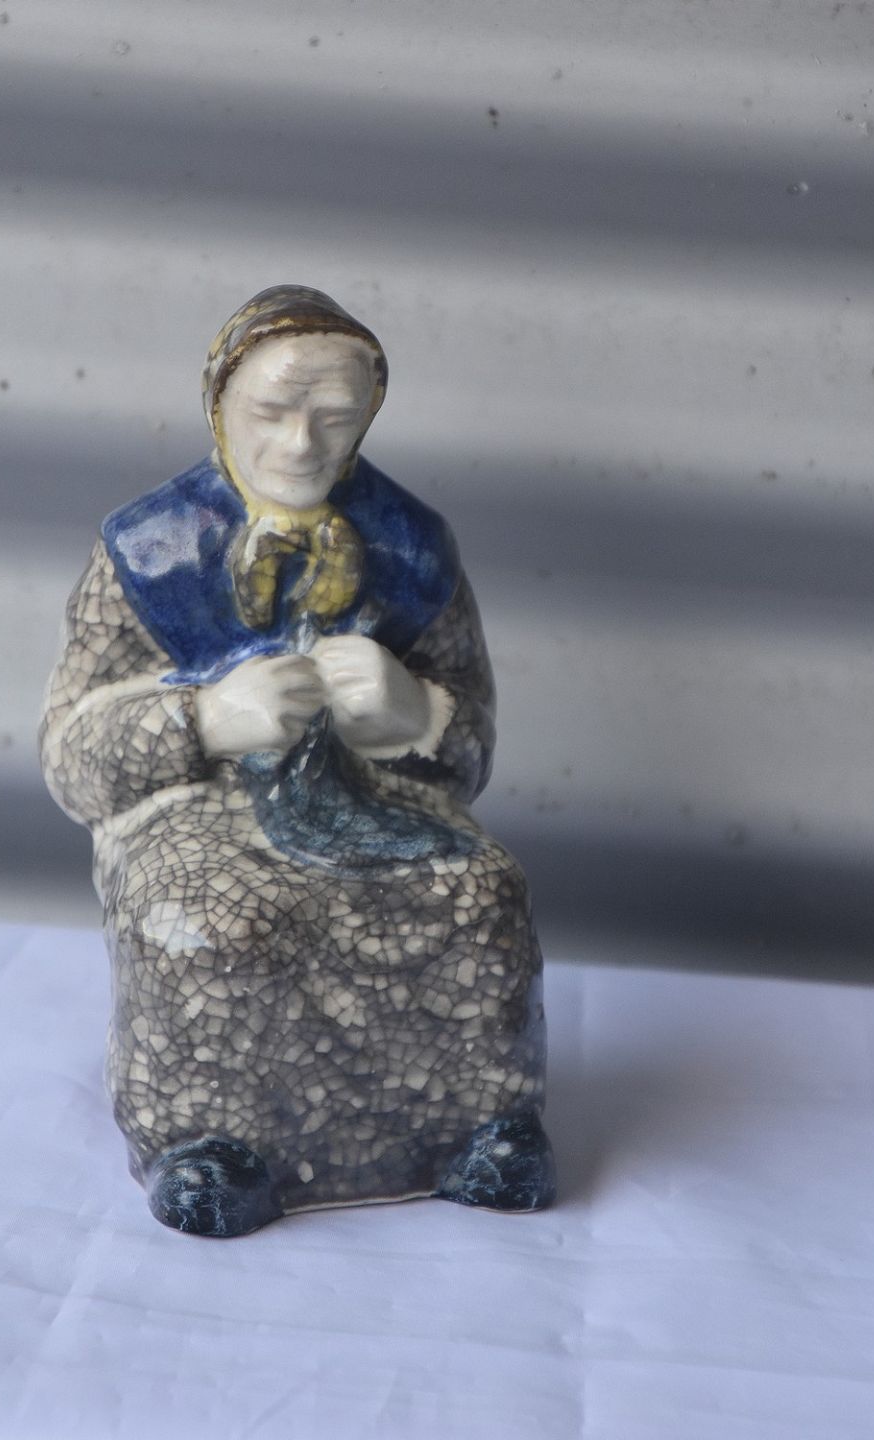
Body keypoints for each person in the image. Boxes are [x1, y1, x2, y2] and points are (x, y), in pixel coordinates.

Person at [40, 286, 554, 1237]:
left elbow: (471, 744)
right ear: (219, 405)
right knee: (212, 922)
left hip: (373, 795)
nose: (301, 445)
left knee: (482, 894)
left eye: (337, 418)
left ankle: (472, 1131)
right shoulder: (146, 552)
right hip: (198, 804)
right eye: (271, 412)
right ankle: (206, 1145)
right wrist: (202, 718)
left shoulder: (413, 546)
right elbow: (70, 754)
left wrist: (414, 712)